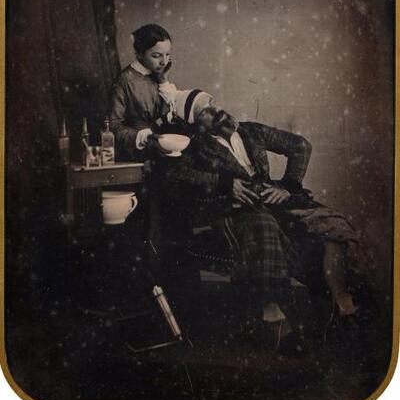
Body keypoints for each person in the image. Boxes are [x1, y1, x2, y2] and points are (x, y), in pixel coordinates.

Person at [158, 92, 370, 352]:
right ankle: (274, 318)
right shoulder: (196, 146)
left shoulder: (250, 131)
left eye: (212, 103)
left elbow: (300, 146)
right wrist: (223, 184)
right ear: (196, 124)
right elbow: (174, 173)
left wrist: (288, 186)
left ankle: (343, 306)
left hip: (275, 202)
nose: (216, 111)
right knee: (263, 225)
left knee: (333, 226)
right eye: (205, 112)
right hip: (236, 210)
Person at [109, 23, 176, 161]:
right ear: (140, 54)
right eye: (156, 55)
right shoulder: (125, 81)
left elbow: (170, 113)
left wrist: (164, 81)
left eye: (167, 54)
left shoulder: (158, 75)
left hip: (159, 144)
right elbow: (113, 125)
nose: (164, 62)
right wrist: (144, 137)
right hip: (134, 150)